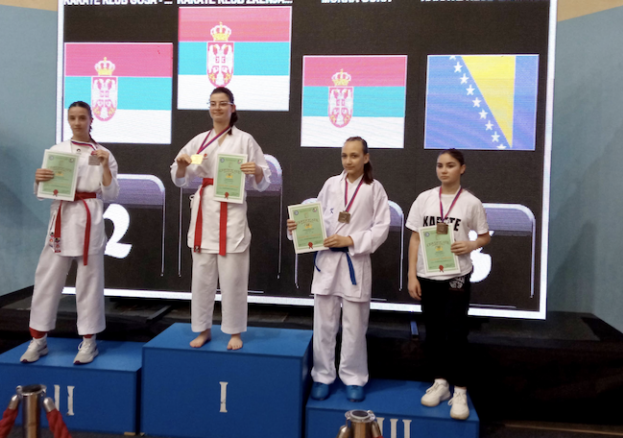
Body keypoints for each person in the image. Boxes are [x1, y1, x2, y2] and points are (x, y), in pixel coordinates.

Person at [287, 137, 390, 403]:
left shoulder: (374, 189)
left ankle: (353, 378)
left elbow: (381, 229)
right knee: (324, 324)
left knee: (354, 326)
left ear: (366, 157)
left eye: (354, 155)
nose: (348, 161)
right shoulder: (331, 184)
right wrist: (298, 228)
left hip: (355, 262)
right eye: (344, 155)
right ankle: (322, 375)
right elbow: (317, 219)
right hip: (327, 262)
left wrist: (351, 240)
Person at [171, 87, 271, 351]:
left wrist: (257, 171)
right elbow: (180, 176)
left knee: (234, 277)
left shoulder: (245, 140)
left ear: (232, 108)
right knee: (202, 277)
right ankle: (203, 329)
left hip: (232, 212)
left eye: (222, 103)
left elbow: (264, 180)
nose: (217, 108)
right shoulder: (199, 141)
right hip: (205, 211)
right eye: (213, 103)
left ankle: (234, 331)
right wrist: (181, 165)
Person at [20, 101, 119, 365]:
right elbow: (43, 192)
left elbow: (112, 193)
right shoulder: (57, 151)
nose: (77, 122)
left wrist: (104, 166)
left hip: (89, 218)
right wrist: (39, 179)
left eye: (82, 117)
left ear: (91, 120)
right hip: (62, 217)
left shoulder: (103, 153)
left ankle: (89, 342)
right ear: (68, 120)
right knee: (47, 279)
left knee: (90, 282)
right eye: (72, 117)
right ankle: (38, 339)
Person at [406, 149, 490, 420]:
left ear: (462, 168)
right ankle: (440, 383)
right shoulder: (424, 199)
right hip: (427, 275)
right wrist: (411, 275)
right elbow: (415, 238)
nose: (444, 170)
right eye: (440, 165)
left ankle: (460, 390)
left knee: (456, 333)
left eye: (450, 165)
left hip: (457, 275)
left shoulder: (471, 202)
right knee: (433, 332)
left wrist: (472, 244)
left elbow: (485, 236)